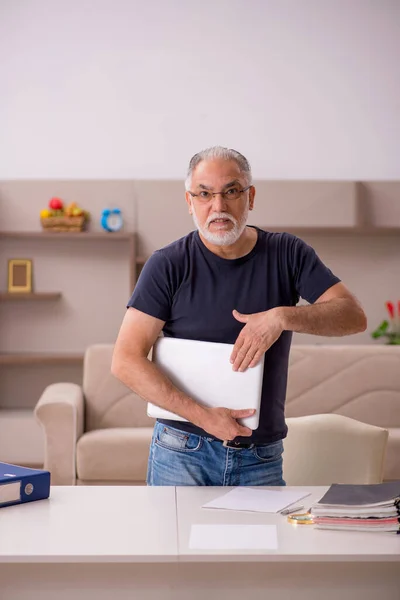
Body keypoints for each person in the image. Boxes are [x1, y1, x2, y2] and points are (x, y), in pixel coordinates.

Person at [111, 146, 367, 487]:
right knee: (171, 543)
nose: (218, 206)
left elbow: (353, 316)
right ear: (189, 202)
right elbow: (125, 360)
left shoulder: (288, 254)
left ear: (250, 196)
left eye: (231, 191)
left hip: (260, 454)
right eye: (204, 194)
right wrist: (204, 418)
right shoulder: (167, 264)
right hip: (181, 450)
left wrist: (281, 317)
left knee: (261, 544)